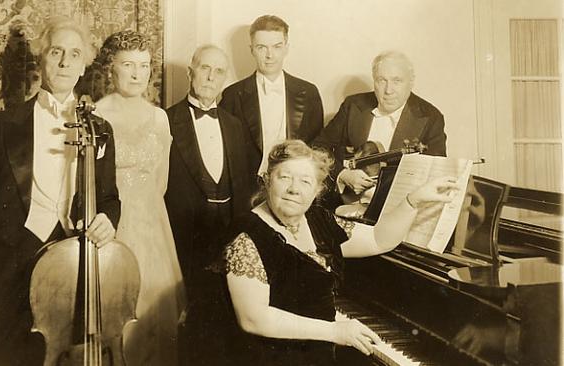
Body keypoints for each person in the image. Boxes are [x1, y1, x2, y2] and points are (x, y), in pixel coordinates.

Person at [0, 17, 120, 366]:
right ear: (41, 59)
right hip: (6, 274)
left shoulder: (101, 129)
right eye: (56, 51)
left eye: (75, 54)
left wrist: (109, 219)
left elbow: (109, 198)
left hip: (71, 271)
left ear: (84, 66)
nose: (65, 61)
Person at [224, 140, 457, 365]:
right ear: (267, 181)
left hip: (317, 352)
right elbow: (253, 319)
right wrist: (334, 331)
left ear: (317, 189)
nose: (294, 189)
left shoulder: (317, 220)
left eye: (305, 181)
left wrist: (413, 201)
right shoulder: (246, 236)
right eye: (284, 177)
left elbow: (378, 240)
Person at [93, 30, 186, 366]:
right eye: (128, 65)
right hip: (113, 227)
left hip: (153, 227)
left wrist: (147, 217)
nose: (137, 73)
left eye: (144, 66)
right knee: (115, 315)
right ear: (111, 69)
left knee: (153, 317)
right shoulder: (96, 115)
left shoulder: (159, 117)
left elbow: (160, 181)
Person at [164, 44, 253, 365]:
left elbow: (241, 188)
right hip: (181, 241)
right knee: (186, 329)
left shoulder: (234, 125)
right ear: (190, 72)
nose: (210, 77)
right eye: (204, 69)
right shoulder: (165, 121)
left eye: (218, 72)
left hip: (226, 241)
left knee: (225, 330)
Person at [314, 51, 447, 209]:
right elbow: (318, 147)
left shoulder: (431, 116)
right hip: (345, 204)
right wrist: (342, 174)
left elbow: (435, 171)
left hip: (399, 207)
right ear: (374, 81)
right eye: (381, 80)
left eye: (397, 81)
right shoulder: (353, 105)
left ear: (411, 82)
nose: (388, 90)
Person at [220, 15, 324, 179]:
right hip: (246, 187)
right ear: (252, 50)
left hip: (294, 184)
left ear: (286, 48)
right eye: (262, 47)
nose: (270, 55)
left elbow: (317, 148)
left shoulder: (309, 92)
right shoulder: (232, 95)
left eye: (277, 46)